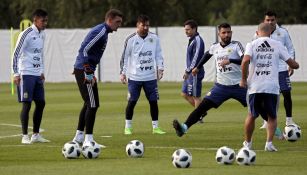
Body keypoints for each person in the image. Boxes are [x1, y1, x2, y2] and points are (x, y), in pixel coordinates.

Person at [173, 23, 246, 137]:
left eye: (228, 32)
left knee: (258, 106)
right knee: (201, 107)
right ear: (219, 34)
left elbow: (245, 60)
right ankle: (184, 128)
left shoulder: (236, 45)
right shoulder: (215, 47)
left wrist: (231, 60)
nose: (226, 35)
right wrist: (197, 67)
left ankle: (276, 131)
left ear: (231, 33)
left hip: (239, 86)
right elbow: (207, 55)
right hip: (221, 87)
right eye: (224, 32)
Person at [240, 23, 299, 152]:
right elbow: (292, 63)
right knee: (272, 117)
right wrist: (296, 65)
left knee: (251, 115)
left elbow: (245, 61)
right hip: (272, 86)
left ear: (257, 32)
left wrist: (243, 79)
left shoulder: (252, 44)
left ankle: (248, 144)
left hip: (255, 86)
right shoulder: (277, 44)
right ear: (271, 32)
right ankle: (269, 144)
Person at [72, 9, 123, 146]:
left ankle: (79, 137)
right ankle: (88, 141)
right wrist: (88, 71)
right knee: (93, 105)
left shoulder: (104, 32)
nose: (119, 25)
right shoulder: (100, 31)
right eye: (118, 22)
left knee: (89, 104)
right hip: (84, 70)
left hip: (84, 69)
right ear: (110, 20)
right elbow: (84, 49)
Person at [120, 14, 166, 135]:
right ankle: (128, 127)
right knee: (132, 102)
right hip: (135, 77)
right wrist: (122, 73)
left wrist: (160, 68)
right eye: (143, 25)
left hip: (150, 77)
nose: (145, 27)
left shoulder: (155, 38)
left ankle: (155, 127)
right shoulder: (130, 40)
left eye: (147, 25)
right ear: (137, 25)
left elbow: (158, 54)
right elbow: (124, 57)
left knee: (153, 102)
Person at [12, 9, 50, 144]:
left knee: (41, 103)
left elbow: (40, 54)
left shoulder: (43, 34)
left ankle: (36, 134)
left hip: (37, 74)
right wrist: (16, 74)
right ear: (35, 20)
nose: (45, 23)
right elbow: (16, 54)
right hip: (26, 73)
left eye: (46, 20)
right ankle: (24, 136)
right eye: (43, 21)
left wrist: (42, 71)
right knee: (26, 104)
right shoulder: (26, 34)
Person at [258, 11, 297, 129]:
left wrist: (290, 63)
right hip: (267, 69)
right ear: (264, 21)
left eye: (272, 20)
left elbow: (290, 48)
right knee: (266, 96)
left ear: (276, 20)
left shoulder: (283, 32)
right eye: (268, 20)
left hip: (280, 68)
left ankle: (289, 121)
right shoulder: (258, 33)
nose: (270, 22)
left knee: (286, 93)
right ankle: (267, 121)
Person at [181, 19, 205, 123]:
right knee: (184, 94)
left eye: (188, 29)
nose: (186, 31)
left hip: (195, 72)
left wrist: (188, 70)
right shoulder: (192, 39)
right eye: (185, 29)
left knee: (196, 96)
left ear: (194, 29)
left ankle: (199, 116)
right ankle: (201, 111)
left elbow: (196, 57)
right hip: (191, 72)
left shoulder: (198, 40)